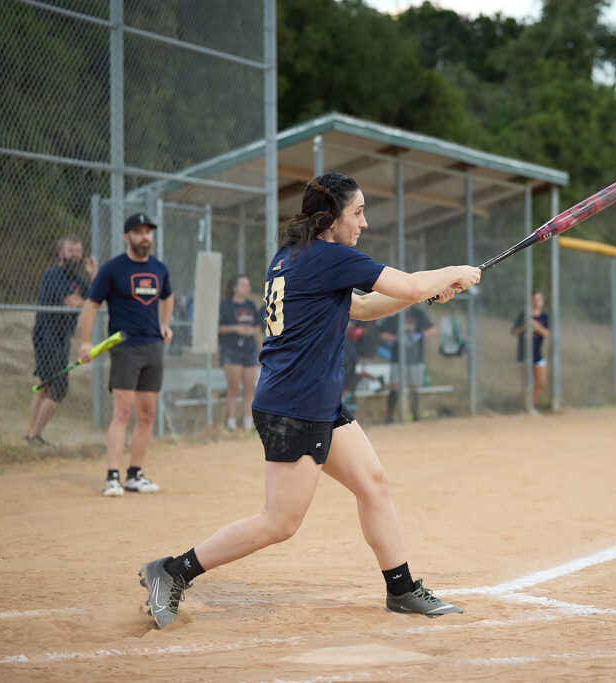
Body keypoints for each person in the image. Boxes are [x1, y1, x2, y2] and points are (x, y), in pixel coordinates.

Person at [136, 173, 480, 629]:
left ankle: (400, 589)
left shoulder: (293, 256)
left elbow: (364, 307)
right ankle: (173, 570)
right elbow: (410, 285)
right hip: (295, 405)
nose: (364, 222)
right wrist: (453, 273)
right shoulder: (330, 256)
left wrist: (427, 292)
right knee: (280, 522)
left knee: (373, 483)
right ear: (330, 218)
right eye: (357, 212)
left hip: (315, 400)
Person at [78, 213, 174, 496]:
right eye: (138, 232)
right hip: (125, 347)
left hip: (153, 346)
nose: (145, 237)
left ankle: (135, 474)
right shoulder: (113, 269)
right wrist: (85, 342)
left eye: (148, 232)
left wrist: (165, 324)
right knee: (122, 411)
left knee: (148, 413)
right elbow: (91, 305)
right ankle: (112, 476)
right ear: (126, 237)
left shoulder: (159, 269)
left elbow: (167, 296)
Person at [25, 236, 98, 446]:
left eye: (78, 251)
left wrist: (94, 275)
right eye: (70, 250)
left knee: (44, 386)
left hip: (62, 337)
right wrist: (88, 303)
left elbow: (96, 298)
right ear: (60, 253)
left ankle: (31, 436)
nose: (75, 255)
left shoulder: (77, 280)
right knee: (59, 389)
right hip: (47, 336)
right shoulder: (53, 274)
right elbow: (72, 302)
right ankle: (34, 436)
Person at [378, 305, 436, 423]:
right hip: (397, 358)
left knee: (414, 386)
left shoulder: (417, 313)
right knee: (395, 385)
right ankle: (390, 417)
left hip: (415, 357)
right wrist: (396, 338)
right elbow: (382, 334)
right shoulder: (394, 313)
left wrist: (420, 335)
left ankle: (415, 415)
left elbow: (432, 329)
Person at [219, 275, 261, 432]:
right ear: (234, 288)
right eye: (243, 285)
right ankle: (231, 424)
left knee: (249, 388)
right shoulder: (225, 305)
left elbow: (257, 327)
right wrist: (236, 328)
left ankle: (248, 423)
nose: (247, 288)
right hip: (232, 350)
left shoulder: (251, 305)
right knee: (233, 389)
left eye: (248, 285)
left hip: (249, 350)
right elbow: (219, 328)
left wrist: (258, 343)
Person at [511, 291, 550, 415]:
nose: (537, 302)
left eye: (539, 299)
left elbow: (546, 333)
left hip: (537, 353)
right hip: (524, 354)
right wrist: (525, 326)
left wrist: (536, 325)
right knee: (527, 383)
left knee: (541, 382)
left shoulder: (544, 317)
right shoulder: (524, 315)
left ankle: (530, 406)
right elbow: (514, 332)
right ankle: (527, 408)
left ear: (542, 302)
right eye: (535, 299)